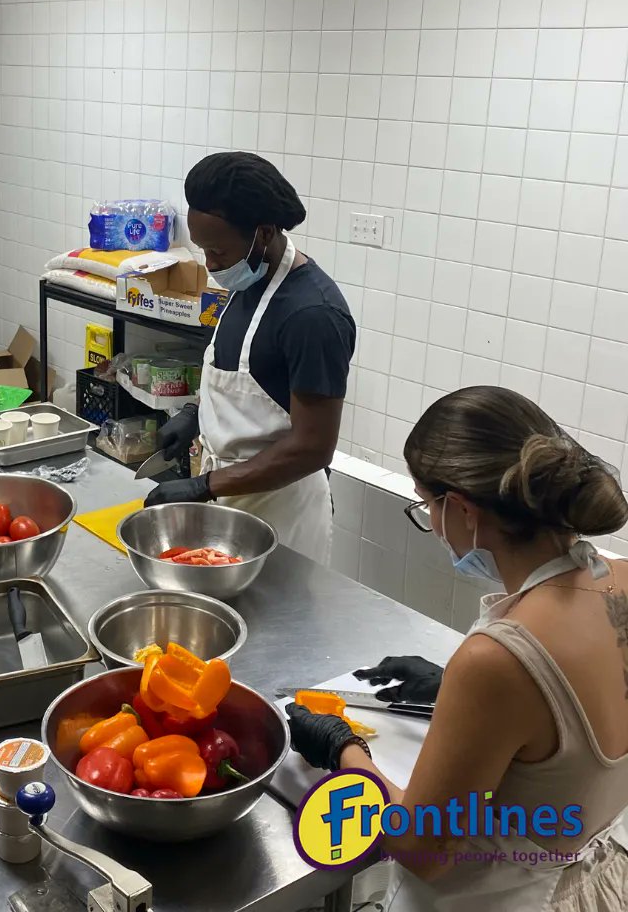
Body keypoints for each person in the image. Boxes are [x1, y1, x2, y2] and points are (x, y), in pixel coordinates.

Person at [287, 386, 628, 910]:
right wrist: (458, 691)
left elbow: (421, 847)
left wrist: (343, 750)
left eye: (427, 508)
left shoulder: (502, 658)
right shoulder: (622, 581)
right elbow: (571, 730)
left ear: (463, 509)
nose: (433, 526)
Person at [145, 152, 355, 565]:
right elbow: (251, 382)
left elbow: (313, 447)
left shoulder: (313, 316)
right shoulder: (248, 278)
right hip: (230, 497)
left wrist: (205, 486)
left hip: (281, 514)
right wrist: (195, 413)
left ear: (262, 234)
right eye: (204, 250)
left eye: (218, 252)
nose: (210, 264)